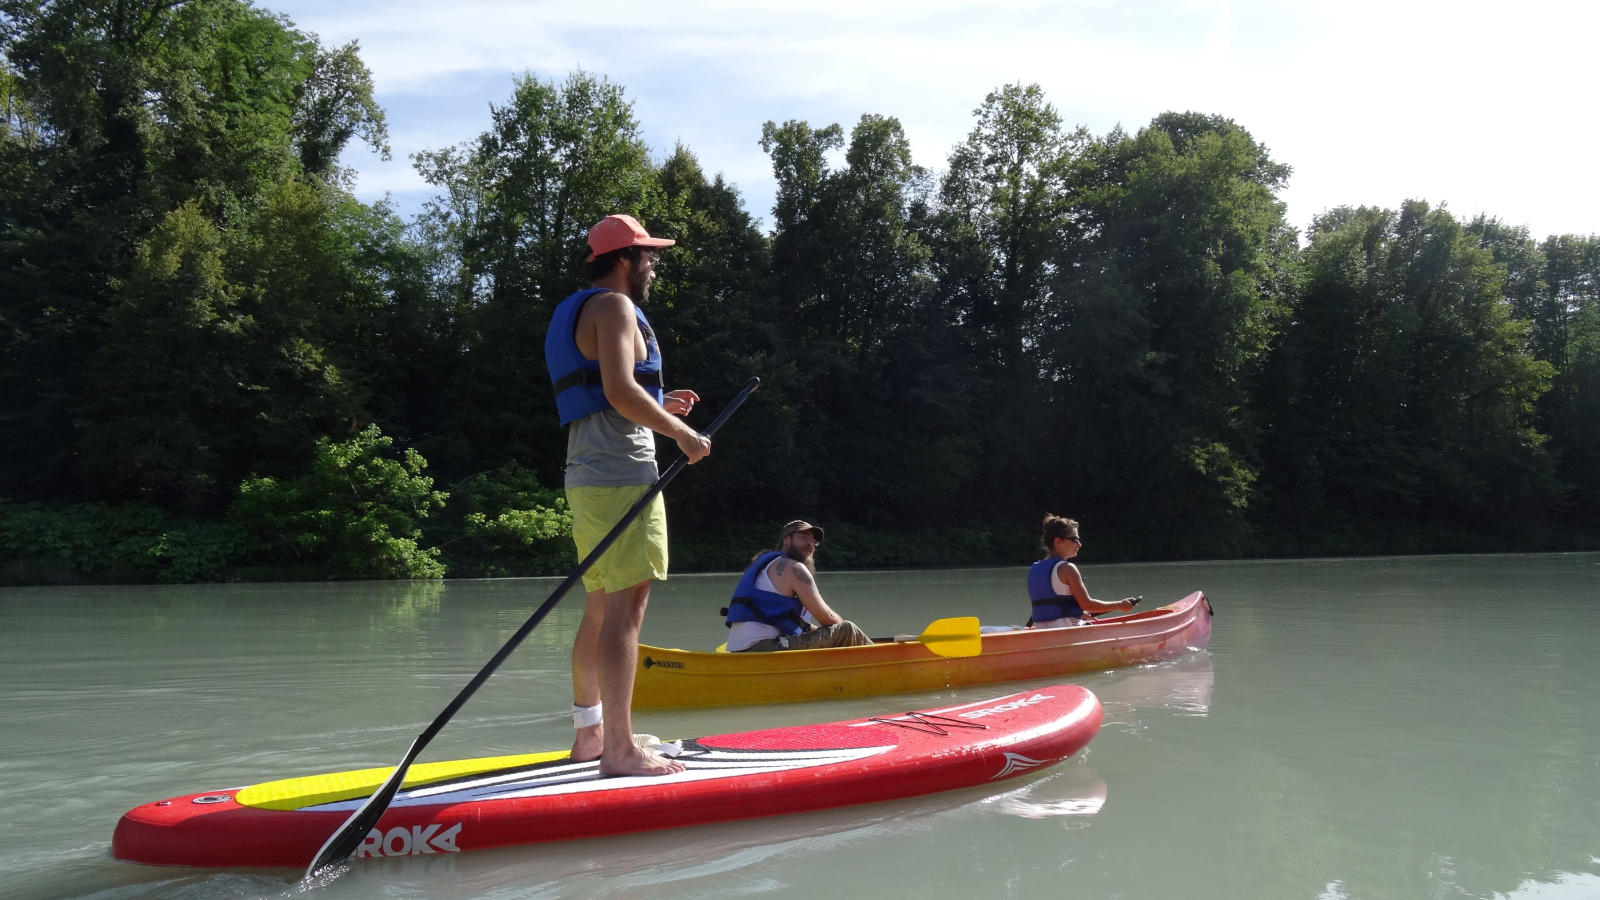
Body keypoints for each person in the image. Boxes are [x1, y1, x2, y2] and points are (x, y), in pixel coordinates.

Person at [546, 214, 710, 777]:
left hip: (587, 474)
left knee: (599, 608)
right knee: (625, 612)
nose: (654, 267)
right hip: (621, 474)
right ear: (622, 260)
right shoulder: (615, 307)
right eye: (648, 256)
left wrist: (663, 406)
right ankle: (619, 750)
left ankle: (592, 735)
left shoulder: (579, 309)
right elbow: (618, 390)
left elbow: (613, 389)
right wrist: (681, 434)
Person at [724, 520, 873, 652]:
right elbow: (828, 618)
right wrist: (842, 636)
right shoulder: (793, 568)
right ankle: (878, 664)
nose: (810, 544)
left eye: (813, 541)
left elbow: (790, 622)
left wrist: (822, 633)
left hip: (740, 648)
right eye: (803, 537)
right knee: (847, 630)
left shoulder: (763, 563)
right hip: (765, 648)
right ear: (786, 540)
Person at [1027, 515, 1135, 628]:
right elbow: (1087, 604)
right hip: (1065, 630)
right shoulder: (1068, 568)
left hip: (1040, 629)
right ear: (1058, 541)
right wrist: (1120, 605)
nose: (1079, 544)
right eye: (1075, 539)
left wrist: (1081, 614)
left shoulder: (1035, 568)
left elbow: (1051, 606)